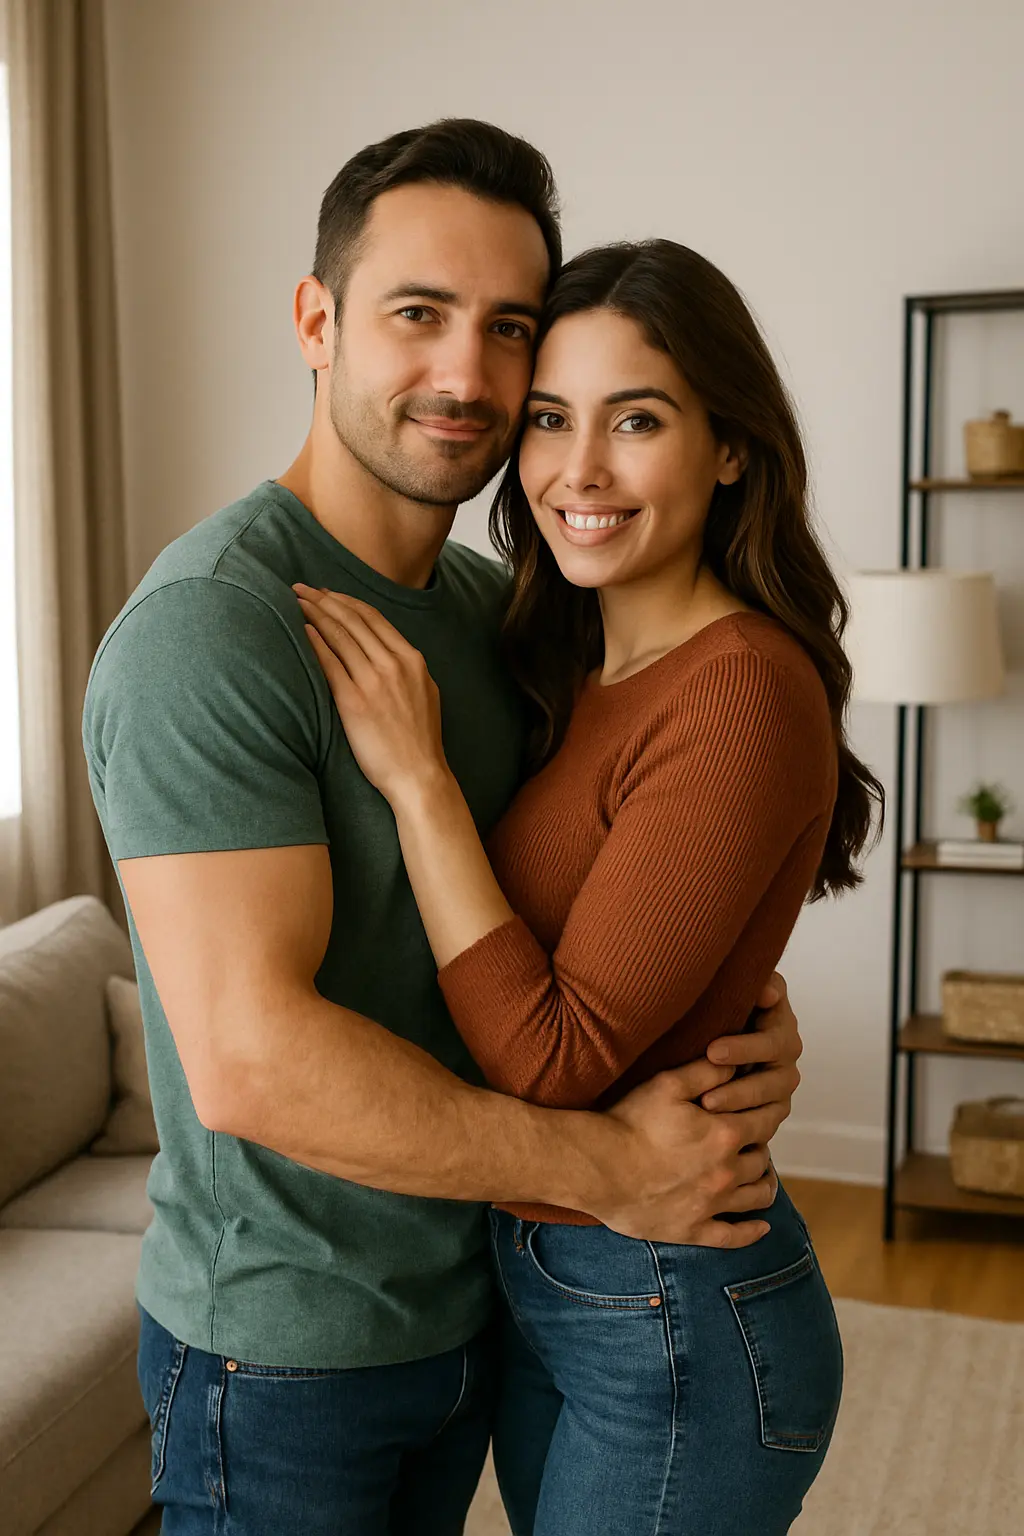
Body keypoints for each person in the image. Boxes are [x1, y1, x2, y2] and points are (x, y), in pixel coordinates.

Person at [83, 122, 806, 1536]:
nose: (466, 376)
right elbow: (252, 1064)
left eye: (509, 329)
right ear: (317, 320)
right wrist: (613, 1166)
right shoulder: (212, 633)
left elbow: (600, 907)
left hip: (480, 1307)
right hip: (280, 1354)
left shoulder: (504, 625)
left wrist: (734, 1025)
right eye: (417, 315)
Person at [298, 236, 884, 1535]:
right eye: (552, 419)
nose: (580, 468)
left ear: (730, 445)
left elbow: (559, 1060)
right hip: (556, 1277)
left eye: (638, 420)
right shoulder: (573, 662)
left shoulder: (738, 684)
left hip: (669, 1303)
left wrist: (424, 787)